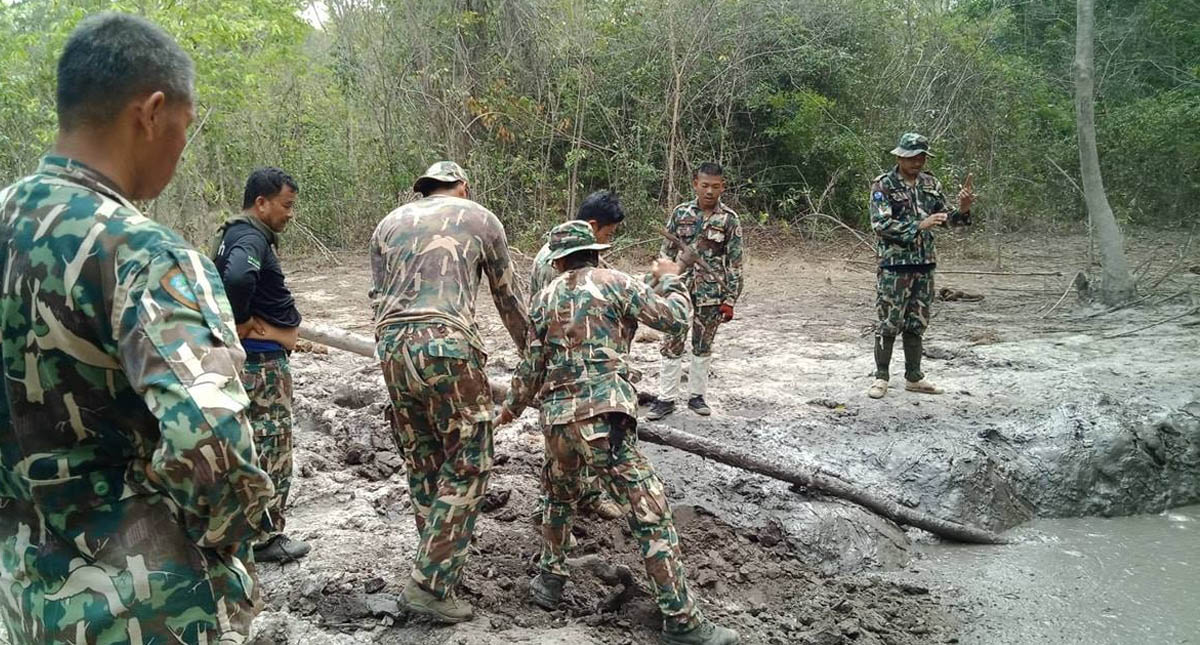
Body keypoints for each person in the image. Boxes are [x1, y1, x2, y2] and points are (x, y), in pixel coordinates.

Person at [0, 13, 273, 643]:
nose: (183, 144)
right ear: (151, 113)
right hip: (145, 605)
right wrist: (225, 540)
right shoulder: (143, 254)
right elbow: (213, 439)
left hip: (22, 595)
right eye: (185, 123)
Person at [497, 221, 740, 645]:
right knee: (650, 511)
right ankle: (682, 620)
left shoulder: (543, 298)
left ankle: (549, 582)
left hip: (556, 421)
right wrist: (672, 280)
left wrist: (511, 408)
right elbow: (675, 321)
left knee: (558, 498)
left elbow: (531, 367)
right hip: (602, 418)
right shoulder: (616, 282)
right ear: (596, 252)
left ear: (558, 261)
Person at [369, 161, 529, 622]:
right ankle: (430, 585)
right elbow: (508, 299)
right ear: (463, 187)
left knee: (423, 460)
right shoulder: (480, 217)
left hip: (392, 348)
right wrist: (534, 358)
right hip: (447, 344)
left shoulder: (388, 224)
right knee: (470, 460)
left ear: (424, 190)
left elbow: (377, 298)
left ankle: (434, 564)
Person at [212, 167, 309, 562]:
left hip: (253, 358)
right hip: (261, 362)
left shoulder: (234, 233)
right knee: (272, 444)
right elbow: (238, 278)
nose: (290, 214)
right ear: (261, 203)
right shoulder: (251, 237)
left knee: (248, 444)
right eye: (286, 205)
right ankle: (266, 537)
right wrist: (241, 322)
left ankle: (242, 531)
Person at [528, 190, 626, 523]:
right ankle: (556, 502)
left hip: (568, 360)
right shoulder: (557, 261)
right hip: (564, 362)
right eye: (608, 233)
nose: (608, 241)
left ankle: (584, 496)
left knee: (576, 433)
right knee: (564, 438)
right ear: (593, 226)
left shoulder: (573, 253)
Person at [867, 132, 975, 399]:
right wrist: (918, 225)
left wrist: (963, 209)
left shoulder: (930, 183)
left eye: (922, 157)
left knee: (917, 322)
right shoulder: (883, 185)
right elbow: (881, 224)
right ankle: (881, 378)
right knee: (889, 322)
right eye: (912, 157)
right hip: (895, 265)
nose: (917, 162)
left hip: (924, 264)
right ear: (899, 157)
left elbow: (946, 219)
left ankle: (914, 377)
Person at [648, 162, 744, 420]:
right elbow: (665, 253)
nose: (709, 191)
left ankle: (697, 396)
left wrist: (730, 299)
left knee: (703, 344)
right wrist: (662, 284)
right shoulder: (681, 213)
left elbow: (735, 263)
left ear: (723, 187)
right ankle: (666, 398)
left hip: (711, 292)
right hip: (678, 290)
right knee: (672, 340)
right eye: (705, 185)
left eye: (715, 186)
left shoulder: (729, 219)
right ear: (695, 185)